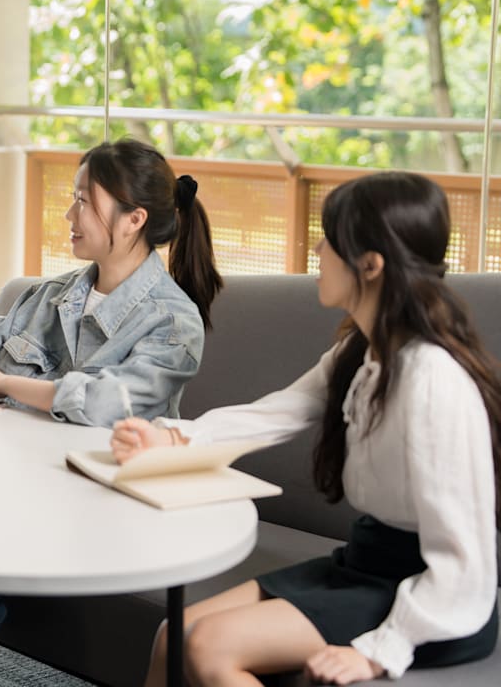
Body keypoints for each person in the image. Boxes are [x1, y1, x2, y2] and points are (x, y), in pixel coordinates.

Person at [112, 171, 500, 687]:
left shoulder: (432, 381)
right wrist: (175, 438)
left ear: (371, 264)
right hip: (363, 564)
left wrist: (380, 650)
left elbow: (465, 560)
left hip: (428, 595)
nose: (316, 248)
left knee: (210, 648)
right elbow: (280, 411)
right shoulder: (360, 352)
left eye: (329, 239)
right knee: (173, 633)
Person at [0, 137, 225, 686]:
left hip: (104, 497)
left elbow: (105, 402)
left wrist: (8, 384)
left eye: (84, 201)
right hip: (21, 482)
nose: (69, 214)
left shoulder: (172, 322)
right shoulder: (50, 295)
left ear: (134, 218)